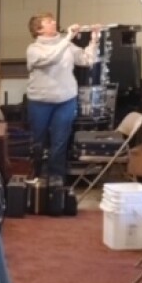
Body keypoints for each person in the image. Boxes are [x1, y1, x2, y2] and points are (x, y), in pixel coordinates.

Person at [25, 13, 99, 180]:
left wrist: (94, 40)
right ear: (39, 29)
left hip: (65, 101)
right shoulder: (34, 49)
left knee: (60, 142)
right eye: (49, 21)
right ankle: (35, 177)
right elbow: (50, 59)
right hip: (40, 102)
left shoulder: (66, 45)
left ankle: (56, 180)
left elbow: (87, 60)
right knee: (38, 142)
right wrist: (68, 38)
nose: (55, 22)